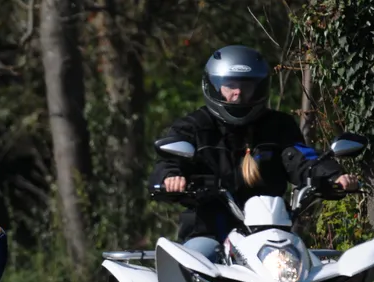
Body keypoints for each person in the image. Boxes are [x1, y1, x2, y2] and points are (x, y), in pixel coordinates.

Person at [150, 45, 359, 263]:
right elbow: (170, 160)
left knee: (314, 271)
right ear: (213, 86)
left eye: (246, 86)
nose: (237, 93)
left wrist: (332, 176)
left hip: (272, 235)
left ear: (260, 89)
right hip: (210, 231)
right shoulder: (193, 127)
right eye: (229, 86)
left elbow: (301, 157)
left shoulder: (279, 126)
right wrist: (170, 178)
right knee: (195, 260)